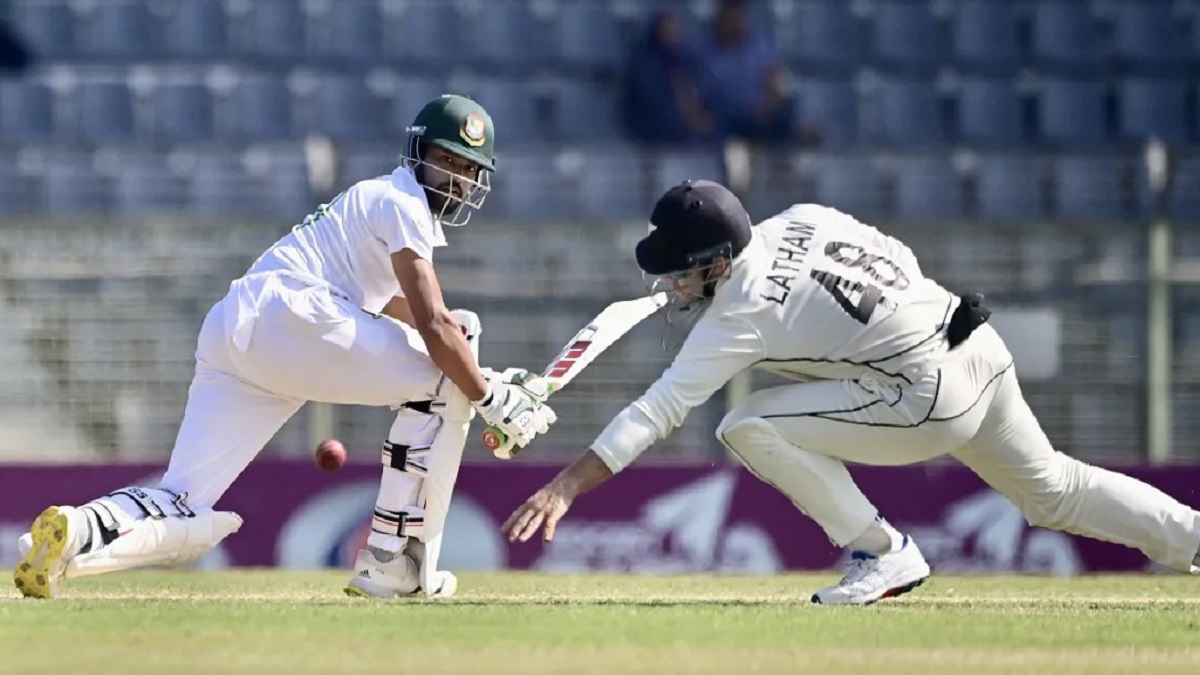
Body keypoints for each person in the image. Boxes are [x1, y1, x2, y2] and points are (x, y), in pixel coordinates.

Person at [502, 179, 1200, 605]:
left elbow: (657, 411)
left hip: (925, 392)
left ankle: (883, 550)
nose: (673, 285)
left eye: (681, 271)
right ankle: (1192, 537)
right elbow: (901, 258)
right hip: (974, 341)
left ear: (717, 261)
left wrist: (565, 486)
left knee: (745, 425)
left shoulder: (739, 312)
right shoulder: (803, 216)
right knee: (1055, 490)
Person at [14, 94, 556, 601]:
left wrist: (481, 376)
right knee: (442, 379)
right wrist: (491, 399)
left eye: (467, 168)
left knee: (182, 500)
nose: (456, 178)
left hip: (239, 327)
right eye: (446, 160)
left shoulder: (375, 202)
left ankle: (76, 530)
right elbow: (434, 327)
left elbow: (422, 319)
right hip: (294, 315)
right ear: (418, 153)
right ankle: (392, 563)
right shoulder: (403, 202)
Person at [623, 9, 718, 144]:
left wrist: (703, 116)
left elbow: (704, 94)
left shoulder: (687, 59)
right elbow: (654, 105)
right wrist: (687, 119)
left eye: (674, 26)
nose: (671, 31)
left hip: (691, 135)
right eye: (667, 26)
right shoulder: (644, 65)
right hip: (653, 134)